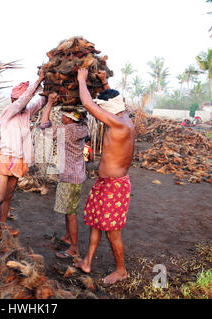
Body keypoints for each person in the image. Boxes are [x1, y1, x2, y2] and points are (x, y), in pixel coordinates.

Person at [74, 67, 135, 284]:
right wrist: (104, 81)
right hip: (106, 183)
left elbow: (89, 104)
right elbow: (113, 101)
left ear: (109, 110)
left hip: (114, 186)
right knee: (96, 224)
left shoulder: (118, 124)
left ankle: (121, 270)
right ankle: (87, 262)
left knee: (112, 232)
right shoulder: (124, 117)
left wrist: (82, 80)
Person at [0, 70, 53, 225]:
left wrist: (47, 86)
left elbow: (39, 102)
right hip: (6, 157)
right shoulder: (8, 112)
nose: (22, 103)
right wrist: (38, 79)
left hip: (19, 158)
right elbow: (24, 100)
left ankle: (2, 225)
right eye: (18, 99)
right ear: (12, 99)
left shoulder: (26, 113)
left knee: (9, 197)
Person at [39, 96, 89, 259]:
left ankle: (74, 248)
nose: (61, 117)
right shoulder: (82, 127)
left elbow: (44, 126)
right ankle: (68, 237)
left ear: (69, 118)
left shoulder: (67, 131)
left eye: (63, 115)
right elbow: (83, 118)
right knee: (70, 210)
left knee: (70, 213)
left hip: (69, 176)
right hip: (77, 175)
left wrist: (50, 104)